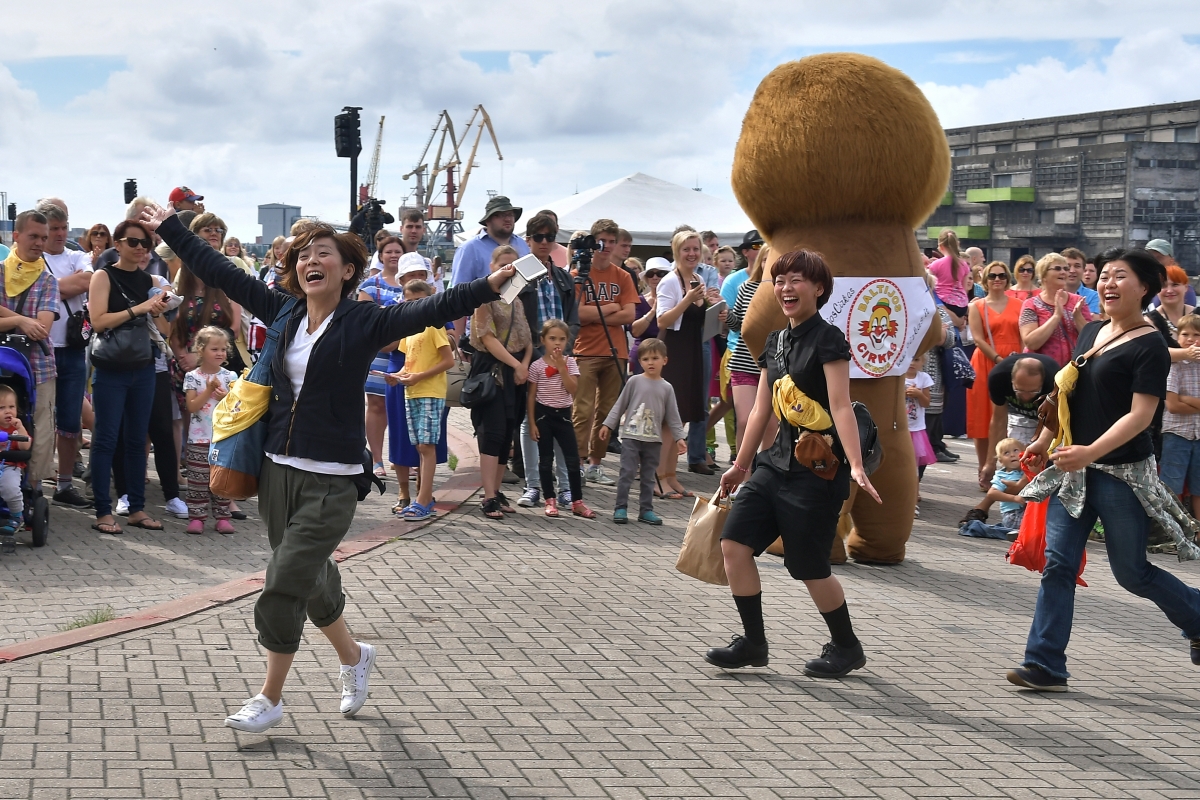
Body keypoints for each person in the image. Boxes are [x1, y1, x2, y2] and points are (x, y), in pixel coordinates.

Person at [140, 201, 511, 733]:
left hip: (333, 477)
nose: (311, 261)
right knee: (311, 577)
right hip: (276, 469)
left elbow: (433, 307)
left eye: (324, 253)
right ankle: (355, 656)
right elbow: (218, 268)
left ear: (348, 268)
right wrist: (171, 229)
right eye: (304, 255)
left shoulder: (365, 320)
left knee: (283, 580)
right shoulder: (284, 311)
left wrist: (486, 286)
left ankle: (269, 698)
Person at [1008, 249, 1200, 692]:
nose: (1108, 284)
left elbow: (1141, 415)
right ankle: (1044, 664)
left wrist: (1090, 451)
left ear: (1145, 288)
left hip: (1121, 475)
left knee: (1132, 573)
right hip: (1073, 471)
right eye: (1105, 276)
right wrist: (1042, 440)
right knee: (1058, 565)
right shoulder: (1092, 331)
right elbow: (1068, 396)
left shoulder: (1151, 345)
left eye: (1120, 276)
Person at [710, 249, 881, 677]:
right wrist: (740, 466)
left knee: (809, 568)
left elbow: (841, 406)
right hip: (773, 465)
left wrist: (855, 464)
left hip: (817, 473)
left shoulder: (829, 339)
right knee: (734, 545)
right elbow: (760, 411)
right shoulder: (775, 342)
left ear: (818, 288)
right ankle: (753, 643)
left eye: (796, 280)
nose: (786, 288)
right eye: (780, 280)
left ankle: (847, 647)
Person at [86, 219, 170, 534]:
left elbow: (165, 331)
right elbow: (98, 321)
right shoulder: (103, 276)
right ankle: (102, 511)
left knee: (137, 440)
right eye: (132, 242)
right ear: (118, 244)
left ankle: (136, 508)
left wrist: (158, 312)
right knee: (106, 439)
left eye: (145, 243)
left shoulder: (152, 280)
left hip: (143, 366)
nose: (140, 248)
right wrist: (140, 308)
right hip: (111, 368)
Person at [515, 212, 578, 508]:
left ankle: (565, 488)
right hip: (531, 357)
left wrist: (564, 350)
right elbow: (515, 318)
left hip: (560, 358)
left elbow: (573, 318)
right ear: (528, 240)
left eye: (549, 237)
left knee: (562, 421)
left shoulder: (563, 276)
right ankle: (533, 485)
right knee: (530, 421)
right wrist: (531, 355)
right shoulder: (519, 272)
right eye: (538, 237)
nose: (544, 242)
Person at [35, 200, 94, 509]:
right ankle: (33, 481)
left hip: (72, 350)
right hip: (40, 349)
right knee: (37, 420)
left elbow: (87, 281)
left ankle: (65, 485)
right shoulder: (33, 257)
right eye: (54, 229)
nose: (60, 234)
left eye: (63, 228)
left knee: (70, 422)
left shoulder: (77, 256)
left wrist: (44, 288)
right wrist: (65, 286)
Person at [570, 220, 637, 486]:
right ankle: (576, 463)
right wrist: (610, 307)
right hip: (585, 350)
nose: (606, 246)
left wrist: (595, 314)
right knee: (582, 410)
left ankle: (595, 464)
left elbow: (629, 315)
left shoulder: (623, 276)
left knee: (608, 413)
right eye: (602, 241)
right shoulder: (578, 274)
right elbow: (577, 313)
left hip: (616, 351)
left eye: (611, 241)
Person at [382, 255, 451, 512]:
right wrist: (397, 376)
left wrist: (418, 375)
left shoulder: (435, 320)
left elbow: (448, 354)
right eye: (411, 275)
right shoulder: (399, 317)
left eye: (422, 274)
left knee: (426, 444)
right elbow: (393, 350)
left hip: (428, 387)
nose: (415, 306)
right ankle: (411, 496)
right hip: (408, 385)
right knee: (409, 440)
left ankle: (424, 497)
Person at [470, 245, 533, 518]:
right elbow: (487, 338)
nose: (509, 271)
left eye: (514, 267)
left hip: (516, 372)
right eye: (503, 266)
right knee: (492, 433)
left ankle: (496, 490)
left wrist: (524, 365)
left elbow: (528, 338)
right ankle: (488, 496)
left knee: (507, 433)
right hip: (492, 370)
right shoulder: (484, 298)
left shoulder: (517, 299)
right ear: (492, 267)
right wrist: (517, 365)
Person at [0, 210, 60, 490]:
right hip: (3, 365)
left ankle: (32, 490)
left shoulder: (47, 280)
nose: (39, 243)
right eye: (33, 236)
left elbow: (42, 328)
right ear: (17, 235)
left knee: (40, 429)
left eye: (44, 238)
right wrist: (22, 321)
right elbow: (31, 324)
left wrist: (8, 318)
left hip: (38, 367)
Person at [600, 337, 685, 524]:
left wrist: (679, 437)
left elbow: (673, 416)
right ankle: (620, 507)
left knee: (648, 477)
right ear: (639, 362)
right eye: (645, 359)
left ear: (664, 360)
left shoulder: (667, 388)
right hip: (631, 437)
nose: (650, 362)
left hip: (653, 440)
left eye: (655, 358)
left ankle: (646, 510)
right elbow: (620, 404)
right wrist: (608, 424)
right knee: (627, 473)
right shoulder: (634, 381)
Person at [657, 230, 720, 479]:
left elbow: (699, 318)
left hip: (694, 349)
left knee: (682, 415)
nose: (692, 254)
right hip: (676, 351)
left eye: (695, 249)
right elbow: (663, 320)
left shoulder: (697, 278)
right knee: (671, 418)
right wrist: (688, 299)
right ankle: (659, 476)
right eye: (686, 249)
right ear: (677, 252)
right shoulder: (669, 281)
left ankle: (670, 475)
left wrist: (717, 309)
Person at [526, 319, 594, 519]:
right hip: (543, 415)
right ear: (543, 340)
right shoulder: (537, 366)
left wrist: (561, 367)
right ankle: (550, 500)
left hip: (563, 416)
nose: (557, 343)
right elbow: (531, 396)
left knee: (572, 459)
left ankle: (577, 502)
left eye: (562, 339)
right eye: (552, 338)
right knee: (546, 460)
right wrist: (532, 423)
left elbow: (573, 389)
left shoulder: (570, 362)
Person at [967, 261, 1023, 483]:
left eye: (1001, 275)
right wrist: (999, 360)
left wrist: (1017, 361)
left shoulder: (1020, 304)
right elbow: (978, 339)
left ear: (1008, 279)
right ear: (985, 280)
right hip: (986, 362)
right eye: (992, 276)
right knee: (982, 417)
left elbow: (1024, 336)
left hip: (1014, 363)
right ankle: (984, 468)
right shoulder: (977, 306)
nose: (997, 279)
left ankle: (1009, 469)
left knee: (1012, 418)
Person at [358, 238, 409, 478]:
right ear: (380, 256)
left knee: (405, 407)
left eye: (398, 251)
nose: (393, 255)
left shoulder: (413, 283)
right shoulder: (370, 285)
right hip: (378, 354)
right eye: (389, 251)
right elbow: (364, 322)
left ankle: (405, 459)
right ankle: (377, 459)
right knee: (377, 405)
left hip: (409, 354)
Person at [449, 196, 530, 339]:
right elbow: (458, 298)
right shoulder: (469, 249)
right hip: (483, 336)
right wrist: (458, 341)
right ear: (488, 220)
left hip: (519, 334)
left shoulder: (522, 245)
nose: (508, 219)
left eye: (510, 214)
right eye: (501, 215)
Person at [182, 327, 237, 534]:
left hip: (223, 438)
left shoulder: (230, 376)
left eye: (223, 349)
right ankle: (197, 517)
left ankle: (223, 517)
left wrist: (225, 397)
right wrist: (208, 390)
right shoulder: (192, 377)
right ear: (201, 349)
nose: (220, 353)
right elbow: (192, 407)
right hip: (199, 439)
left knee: (222, 480)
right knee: (198, 479)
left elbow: (237, 407)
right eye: (214, 349)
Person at [724, 243, 772, 460]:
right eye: (765, 260)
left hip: (773, 366)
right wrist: (725, 315)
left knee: (771, 425)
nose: (768, 264)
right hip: (743, 362)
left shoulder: (785, 290)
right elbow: (737, 325)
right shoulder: (746, 287)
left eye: (773, 260)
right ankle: (742, 472)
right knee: (744, 421)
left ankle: (766, 473)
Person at [1019, 253, 1092, 367]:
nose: (1064, 272)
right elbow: (1031, 343)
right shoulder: (1031, 304)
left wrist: (1077, 317)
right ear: (1044, 276)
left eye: (1065, 269)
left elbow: (1091, 338)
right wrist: (1056, 316)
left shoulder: (1078, 301)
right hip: (1042, 370)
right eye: (1058, 268)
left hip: (1074, 369)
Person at [1161, 314, 1200, 518]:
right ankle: (1174, 529)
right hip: (1176, 433)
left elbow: (1177, 401)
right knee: (1172, 486)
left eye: (1197, 334)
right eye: (1185, 334)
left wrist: (1185, 398)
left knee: (1199, 488)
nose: (1191, 339)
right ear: (1177, 337)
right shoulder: (1174, 365)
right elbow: (1172, 405)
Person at [0, 384, 31, 548]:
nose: (8, 411)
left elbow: (25, 446)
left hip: (10, 465)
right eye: (1, 408)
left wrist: (20, 429)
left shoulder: (16, 428)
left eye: (11, 407)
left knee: (10, 488)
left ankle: (17, 516)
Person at [905, 358, 934, 516]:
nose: (912, 363)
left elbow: (926, 403)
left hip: (916, 430)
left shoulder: (923, 378)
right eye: (910, 358)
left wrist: (918, 394)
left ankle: (913, 501)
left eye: (916, 359)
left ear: (923, 361)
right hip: (899, 429)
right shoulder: (898, 376)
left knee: (913, 469)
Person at [629, 259, 666, 375]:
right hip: (642, 354)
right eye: (650, 274)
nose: (655, 277)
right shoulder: (639, 301)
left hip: (667, 353)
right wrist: (653, 311)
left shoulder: (677, 301)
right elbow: (635, 331)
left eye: (660, 274)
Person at [928, 229, 972, 324]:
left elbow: (928, 283)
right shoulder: (964, 265)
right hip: (962, 305)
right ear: (957, 244)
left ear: (940, 246)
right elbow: (964, 288)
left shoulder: (936, 264)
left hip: (946, 303)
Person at [1147, 265, 1195, 349]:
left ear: (1186, 287)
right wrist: (1188, 353)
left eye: (1175, 285)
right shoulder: (1149, 321)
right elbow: (1154, 350)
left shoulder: (1197, 314)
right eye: (1163, 286)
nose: (1169, 290)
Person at [987, 438, 1028, 531]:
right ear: (1001, 461)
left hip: (1026, 511)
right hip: (1012, 514)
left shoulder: (1026, 470)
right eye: (1006, 453)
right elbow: (991, 493)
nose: (1012, 455)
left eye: (1016, 450)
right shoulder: (1002, 475)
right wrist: (1014, 498)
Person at [1147, 239, 1197, 306]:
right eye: (1150, 258)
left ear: (1171, 261)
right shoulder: (1139, 285)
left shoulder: (1183, 291)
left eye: (1159, 258)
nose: (1154, 261)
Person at [1061, 247, 1100, 315]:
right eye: (1068, 266)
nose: (1072, 271)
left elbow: (1092, 320)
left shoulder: (1094, 296)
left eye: (1077, 266)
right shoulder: (1051, 294)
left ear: (1083, 269)